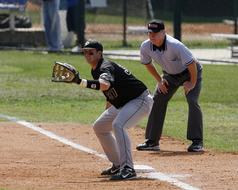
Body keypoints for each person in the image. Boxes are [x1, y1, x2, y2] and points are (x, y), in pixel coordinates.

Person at [73, 39, 153, 180]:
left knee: (119, 125)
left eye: (91, 52)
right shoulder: (95, 68)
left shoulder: (105, 66)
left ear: (100, 53)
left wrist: (81, 82)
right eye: (85, 52)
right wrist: (107, 112)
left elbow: (104, 85)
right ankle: (117, 164)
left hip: (140, 100)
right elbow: (111, 94)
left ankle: (128, 168)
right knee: (100, 126)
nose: (87, 55)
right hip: (124, 103)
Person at [136, 20, 204, 152]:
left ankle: (197, 142)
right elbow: (148, 64)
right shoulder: (145, 46)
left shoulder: (175, 45)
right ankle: (152, 141)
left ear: (163, 32)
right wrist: (159, 80)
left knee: (192, 101)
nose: (152, 36)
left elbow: (192, 65)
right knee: (158, 100)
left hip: (190, 73)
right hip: (170, 76)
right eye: (150, 33)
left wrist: (192, 83)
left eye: (155, 33)